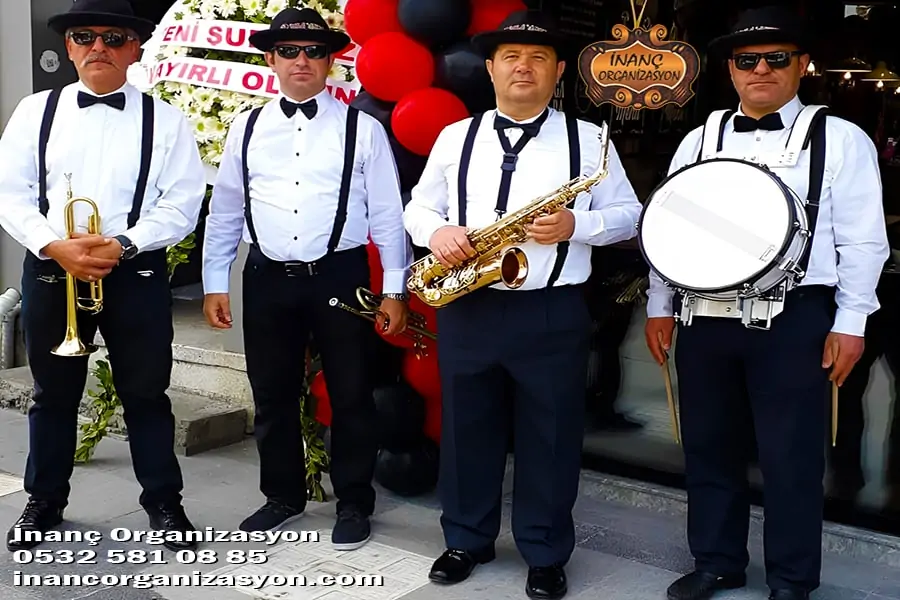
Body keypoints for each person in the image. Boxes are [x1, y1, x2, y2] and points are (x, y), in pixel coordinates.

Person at [643, 6, 889, 600]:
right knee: (708, 446)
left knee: (791, 457)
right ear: (730, 69)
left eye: (777, 58)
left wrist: (852, 320)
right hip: (703, 316)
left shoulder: (841, 138)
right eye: (747, 60)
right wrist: (658, 303)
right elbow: (670, 225)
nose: (761, 70)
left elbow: (863, 238)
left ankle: (792, 579)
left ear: (802, 66)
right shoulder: (699, 137)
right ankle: (717, 561)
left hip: (794, 317)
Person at [404, 10, 642, 599]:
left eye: (537, 59)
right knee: (467, 429)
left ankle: (544, 551)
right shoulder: (455, 137)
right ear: (489, 69)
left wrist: (576, 223)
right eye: (510, 57)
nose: (523, 68)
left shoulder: (592, 142)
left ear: (557, 72)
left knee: (552, 435)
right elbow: (417, 206)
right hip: (469, 305)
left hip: (551, 309)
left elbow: (631, 218)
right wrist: (436, 234)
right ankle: (465, 539)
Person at [201, 7, 411, 550]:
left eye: (313, 50)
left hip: (339, 275)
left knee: (351, 394)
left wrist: (395, 289)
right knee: (271, 392)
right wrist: (214, 282)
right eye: (289, 50)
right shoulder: (245, 127)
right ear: (270, 58)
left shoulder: (362, 129)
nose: (301, 61)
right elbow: (225, 210)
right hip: (268, 275)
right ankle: (282, 496)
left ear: (330, 59)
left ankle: (354, 501)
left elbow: (389, 215)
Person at [0, 0, 207, 552]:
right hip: (52, 270)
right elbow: (9, 193)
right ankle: (44, 501)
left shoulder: (165, 119)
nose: (99, 47)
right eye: (85, 36)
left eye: (113, 38)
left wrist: (124, 242)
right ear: (68, 46)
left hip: (133, 271)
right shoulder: (33, 111)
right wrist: (53, 245)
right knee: (52, 394)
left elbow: (183, 201)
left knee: (147, 393)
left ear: (134, 50)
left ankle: (165, 504)